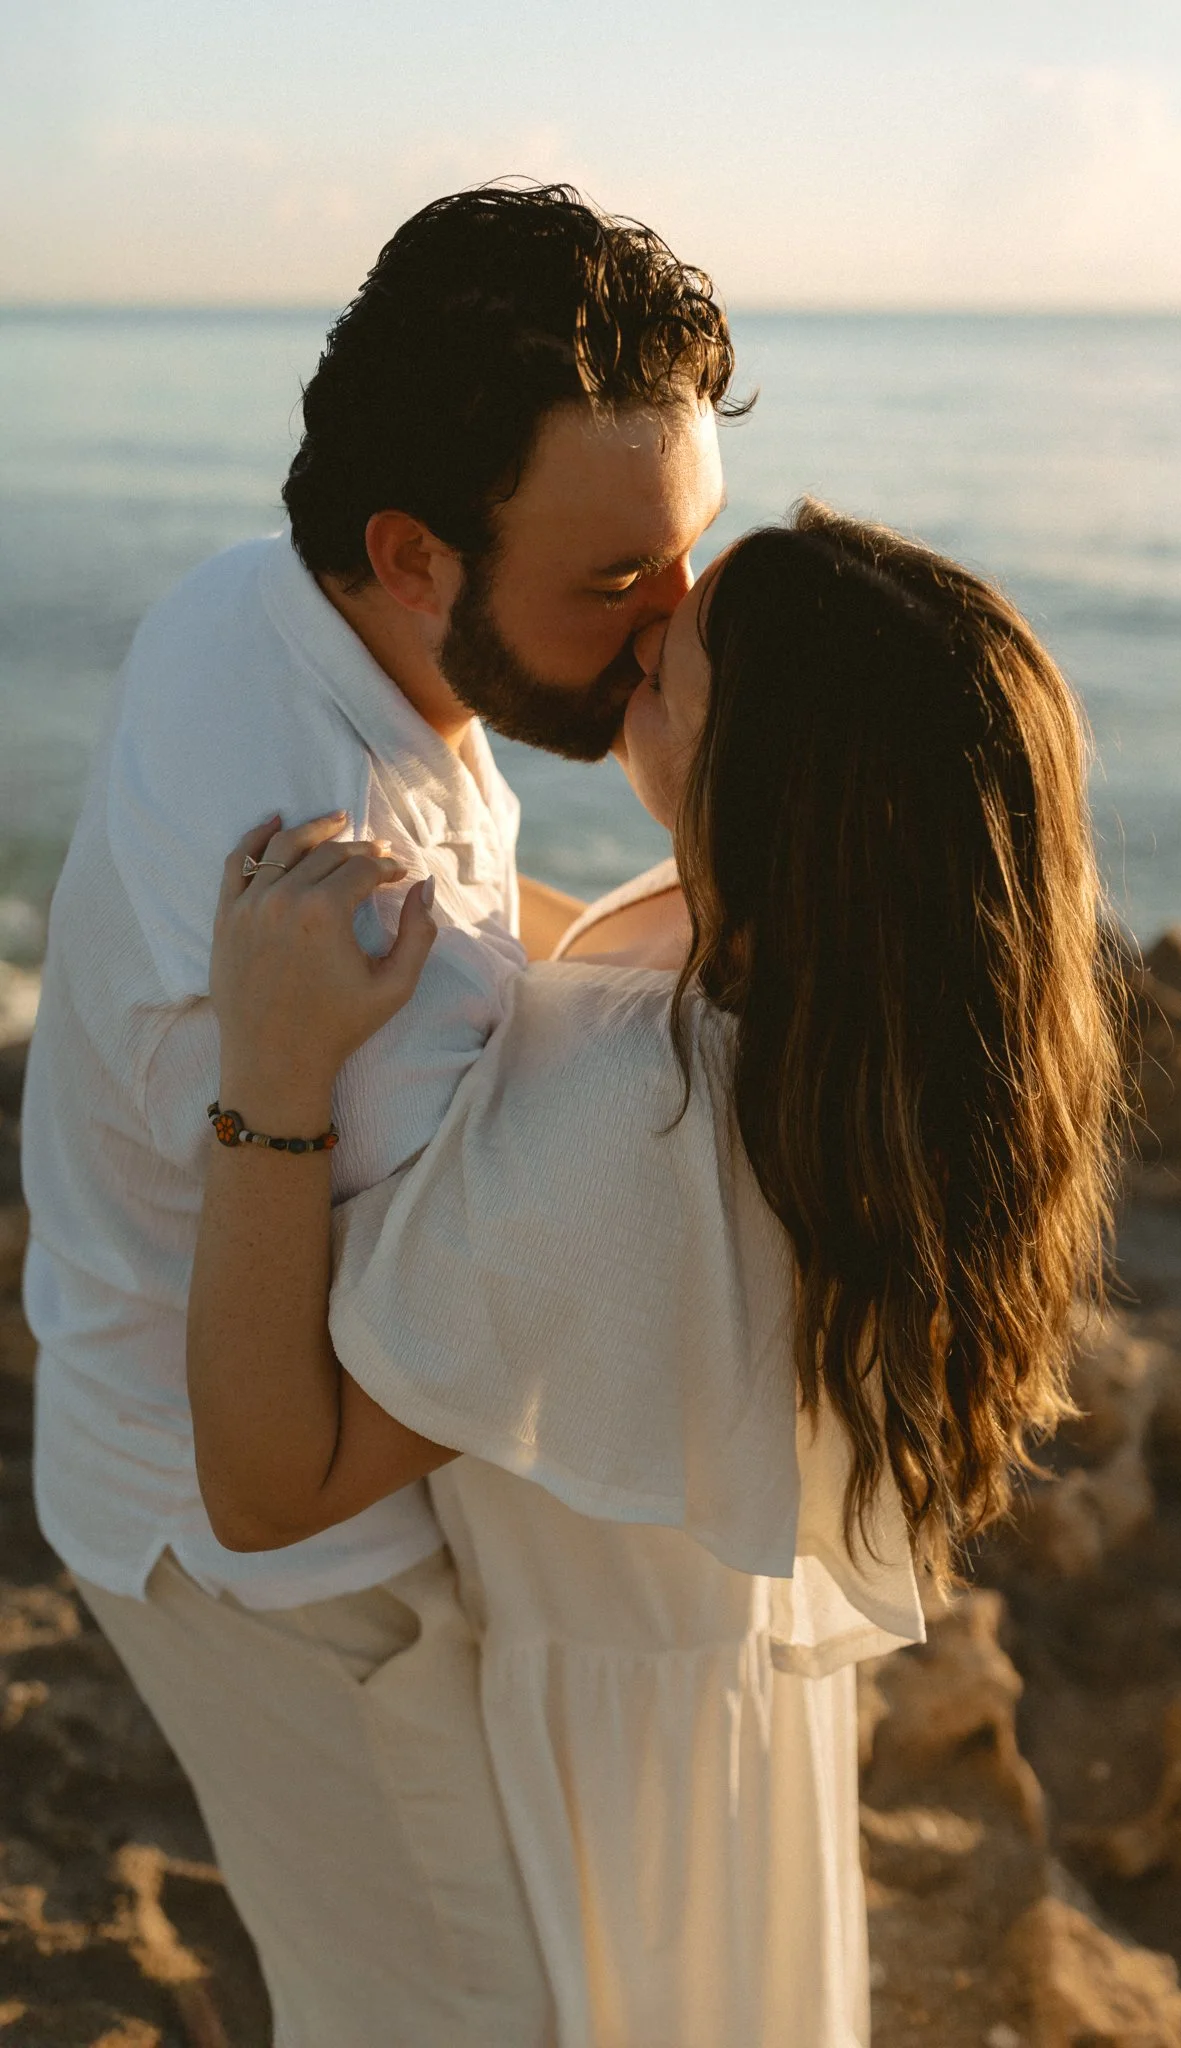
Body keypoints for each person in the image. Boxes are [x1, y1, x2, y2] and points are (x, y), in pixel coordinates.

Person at [186, 502, 1125, 2047]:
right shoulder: (831, 982)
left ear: (766, 786)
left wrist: (271, 1076)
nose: (642, 621)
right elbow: (588, 972)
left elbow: (268, 1484)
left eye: (670, 668)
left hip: (612, 1768)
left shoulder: (638, 1122)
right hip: (716, 1702)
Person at [21, 183, 743, 2046]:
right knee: (465, 2011)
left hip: (153, 1437)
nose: (676, 636)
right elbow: (310, 1448)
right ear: (413, 550)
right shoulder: (340, 900)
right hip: (276, 1565)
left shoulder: (268, 607)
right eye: (614, 586)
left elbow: (499, 947)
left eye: (690, 559)